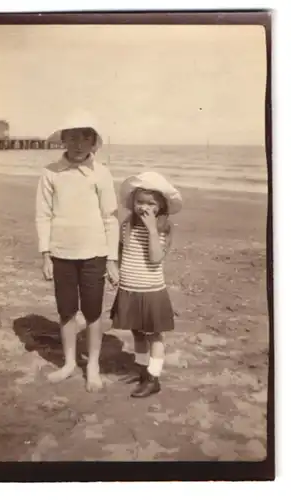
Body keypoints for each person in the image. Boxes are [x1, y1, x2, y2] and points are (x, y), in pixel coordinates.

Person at [36, 111, 119, 392]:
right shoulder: (51, 172)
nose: (78, 143)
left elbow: (110, 217)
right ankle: (70, 362)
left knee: (93, 312)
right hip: (61, 252)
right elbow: (43, 215)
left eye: (85, 137)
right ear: (63, 139)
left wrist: (111, 259)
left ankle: (92, 365)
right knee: (67, 310)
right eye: (72, 136)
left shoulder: (101, 173)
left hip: (95, 252)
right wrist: (45, 253)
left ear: (93, 141)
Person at [111, 171, 182, 398]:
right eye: (140, 202)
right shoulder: (127, 224)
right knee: (137, 333)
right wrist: (116, 270)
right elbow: (122, 251)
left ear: (161, 207)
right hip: (130, 286)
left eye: (151, 204)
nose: (144, 207)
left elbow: (155, 257)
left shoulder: (162, 228)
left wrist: (151, 228)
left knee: (154, 335)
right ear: (133, 202)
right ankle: (142, 370)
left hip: (151, 290)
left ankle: (154, 377)